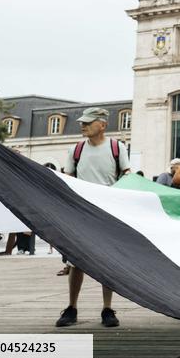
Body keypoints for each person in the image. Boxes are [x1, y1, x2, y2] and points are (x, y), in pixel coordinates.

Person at [55, 107, 131, 329]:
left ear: (103, 125)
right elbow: (68, 179)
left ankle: (107, 308)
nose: (83, 125)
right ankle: (71, 307)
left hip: (108, 214)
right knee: (76, 262)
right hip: (81, 214)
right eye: (82, 122)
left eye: (88, 122)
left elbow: (126, 176)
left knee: (108, 262)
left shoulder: (117, 148)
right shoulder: (76, 150)